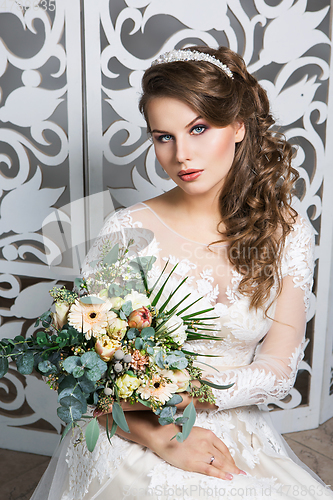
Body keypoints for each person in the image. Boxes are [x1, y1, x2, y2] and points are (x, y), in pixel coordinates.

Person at [31, 46, 333, 500]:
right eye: (163, 136)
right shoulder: (128, 230)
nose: (181, 155)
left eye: (198, 129)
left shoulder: (286, 230)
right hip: (136, 427)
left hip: (232, 421)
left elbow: (277, 370)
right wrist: (161, 436)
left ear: (238, 127)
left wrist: (193, 389)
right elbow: (90, 376)